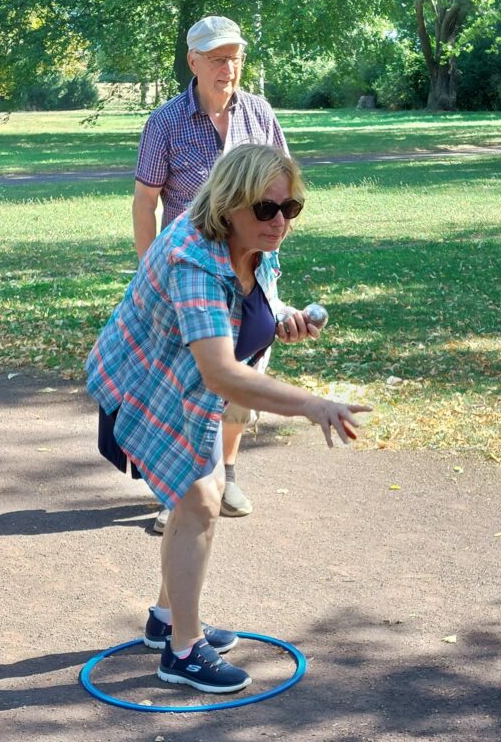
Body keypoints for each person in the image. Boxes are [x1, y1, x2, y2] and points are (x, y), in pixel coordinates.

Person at [87, 144, 370, 693]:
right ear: (228, 204)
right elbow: (219, 372)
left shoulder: (258, 241)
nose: (280, 222)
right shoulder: (192, 257)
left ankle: (168, 621)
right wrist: (312, 404)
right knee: (198, 501)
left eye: (290, 209)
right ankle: (183, 654)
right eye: (266, 209)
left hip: (188, 390)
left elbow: (247, 303)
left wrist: (280, 317)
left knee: (203, 499)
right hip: (146, 387)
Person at [133, 15, 287, 528]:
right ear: (193, 62)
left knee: (244, 374)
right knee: (190, 380)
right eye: (218, 59)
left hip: (250, 270)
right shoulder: (165, 122)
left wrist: (273, 235)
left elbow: (283, 187)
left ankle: (229, 470)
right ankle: (178, 489)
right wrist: (147, 272)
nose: (229, 68)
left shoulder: (259, 114)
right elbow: (145, 201)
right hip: (191, 275)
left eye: (236, 58)